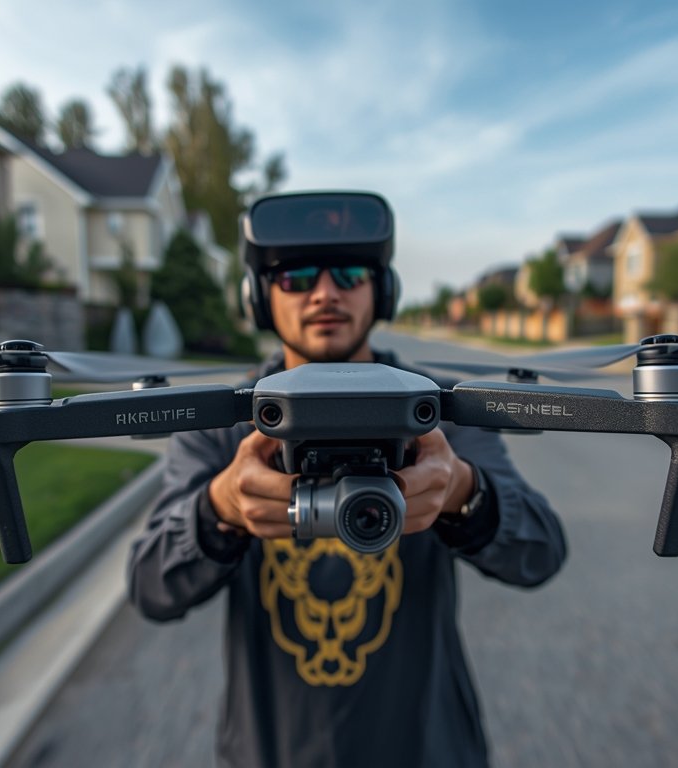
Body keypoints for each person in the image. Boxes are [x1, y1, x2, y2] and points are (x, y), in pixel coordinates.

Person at [127, 191, 567, 768]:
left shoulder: (434, 408)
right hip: (271, 748)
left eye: (352, 272)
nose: (326, 292)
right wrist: (219, 509)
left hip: (426, 746)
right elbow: (149, 586)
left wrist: (463, 492)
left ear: (382, 290)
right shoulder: (222, 423)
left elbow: (541, 551)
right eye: (296, 276)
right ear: (259, 298)